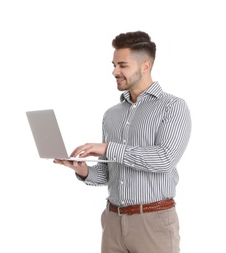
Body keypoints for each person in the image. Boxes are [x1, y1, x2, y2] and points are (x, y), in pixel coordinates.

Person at [54, 31, 192, 253]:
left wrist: (109, 148)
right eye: (113, 64)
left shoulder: (173, 107)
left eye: (122, 65)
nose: (114, 71)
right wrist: (83, 171)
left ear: (145, 67)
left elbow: (164, 159)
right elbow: (109, 174)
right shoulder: (112, 114)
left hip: (153, 222)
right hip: (112, 221)